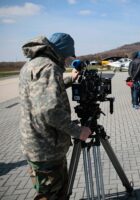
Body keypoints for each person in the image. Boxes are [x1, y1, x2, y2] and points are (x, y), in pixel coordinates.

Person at [19, 33, 92, 200]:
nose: (67, 61)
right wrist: (78, 131)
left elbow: (41, 94)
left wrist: (69, 80)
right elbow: (49, 111)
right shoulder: (48, 68)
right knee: (52, 194)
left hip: (38, 143)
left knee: (51, 191)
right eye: (67, 57)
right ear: (62, 52)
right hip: (47, 148)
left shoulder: (33, 64)